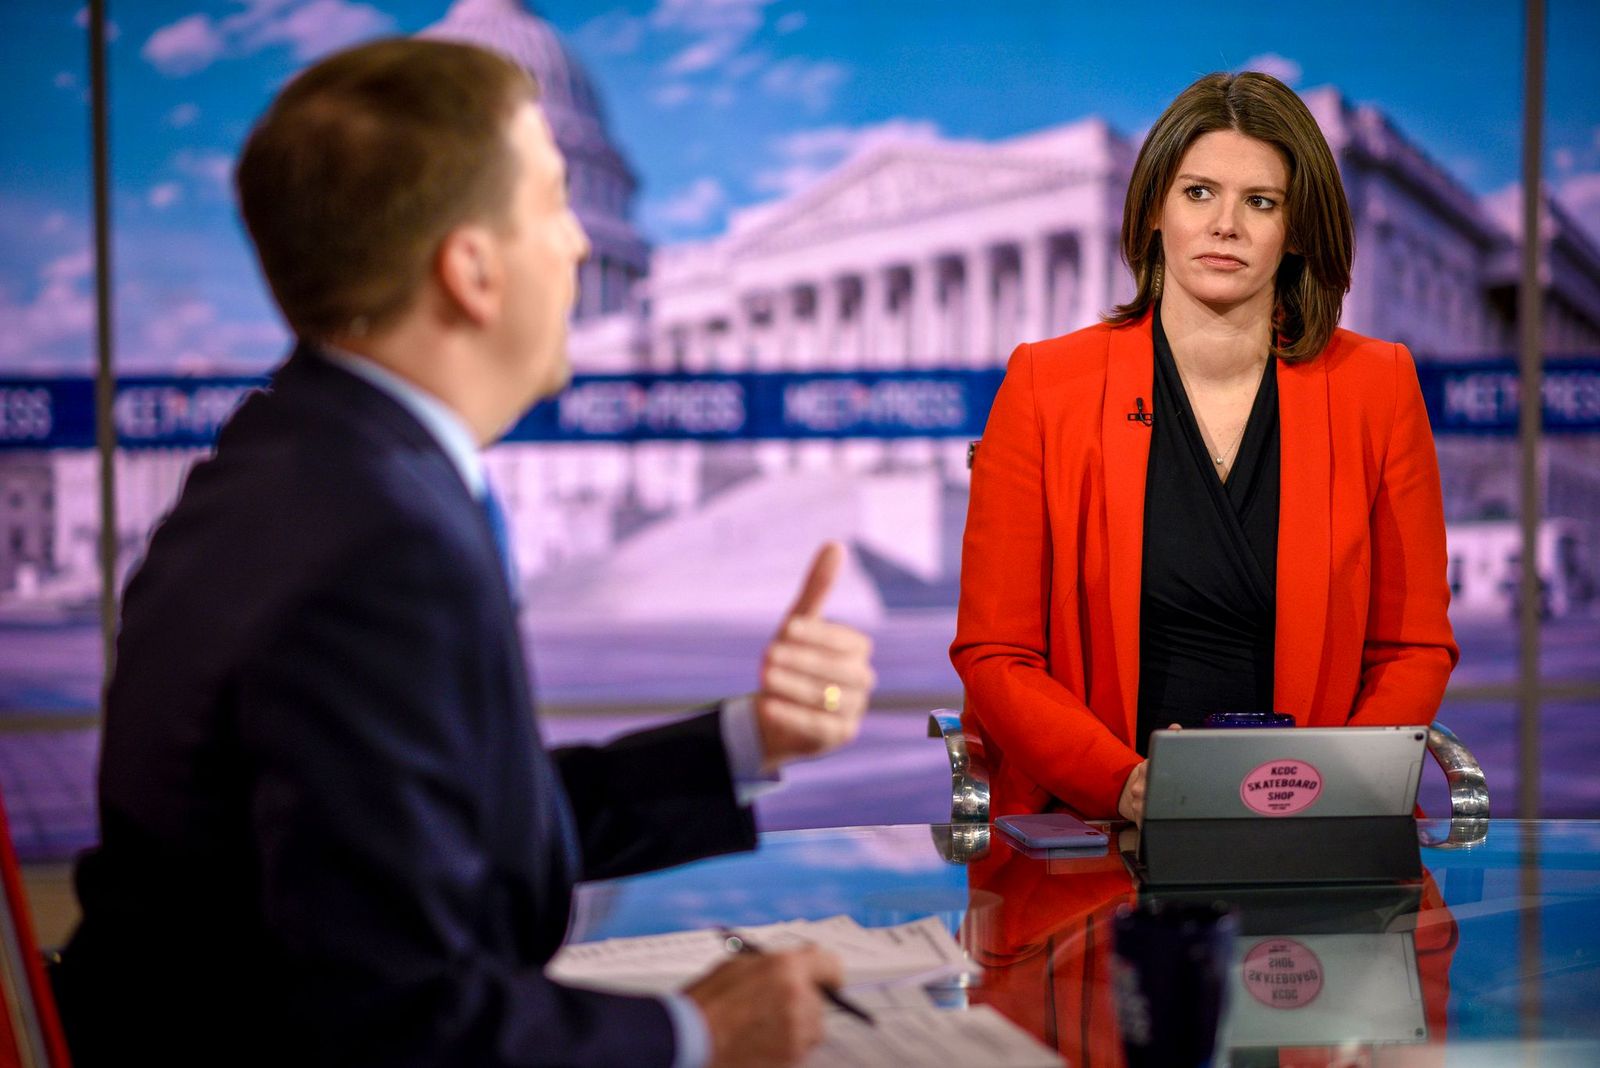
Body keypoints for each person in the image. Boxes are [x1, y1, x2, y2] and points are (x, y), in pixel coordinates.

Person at [52, 38, 875, 1068]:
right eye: (553, 204)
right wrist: (702, 1031)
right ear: (472, 268)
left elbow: (457, 829)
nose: (583, 247)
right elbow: (397, 1029)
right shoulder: (372, 541)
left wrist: (751, 741)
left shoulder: (314, 461)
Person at [951, 71, 1457, 824]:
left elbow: (1411, 646)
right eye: (1198, 193)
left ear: (1296, 228)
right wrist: (1125, 786)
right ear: (1155, 208)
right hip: (1093, 824)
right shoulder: (1045, 384)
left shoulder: (1377, 385)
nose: (1226, 225)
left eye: (1261, 202)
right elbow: (997, 653)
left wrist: (1329, 793)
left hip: (1320, 832)